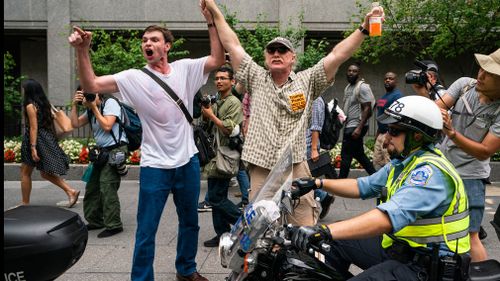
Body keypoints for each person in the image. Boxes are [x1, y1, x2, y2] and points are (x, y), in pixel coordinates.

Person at [68, 2, 224, 280]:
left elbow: (217, 59)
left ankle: (186, 270)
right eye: (144, 40)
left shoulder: (185, 69)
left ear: (167, 47)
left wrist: (211, 22)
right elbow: (91, 85)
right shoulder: (133, 78)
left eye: (154, 39)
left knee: (190, 222)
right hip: (155, 166)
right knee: (146, 229)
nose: (147, 43)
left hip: (187, 161)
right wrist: (82, 50)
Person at [203, 0, 384, 226]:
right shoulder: (255, 77)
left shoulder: (307, 80)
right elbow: (233, 44)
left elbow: (338, 55)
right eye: (271, 50)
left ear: (292, 58)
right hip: (261, 166)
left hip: (296, 165)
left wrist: (364, 29)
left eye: (282, 50)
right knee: (260, 230)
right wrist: (214, 9)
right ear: (266, 57)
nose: (276, 53)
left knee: (303, 225)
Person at [291, 95, 470, 280]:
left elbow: (386, 218)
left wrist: (323, 231)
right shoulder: (404, 162)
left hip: (426, 266)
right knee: (330, 243)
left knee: (329, 235)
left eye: (394, 131)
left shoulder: (430, 173)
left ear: (416, 135)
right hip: (400, 249)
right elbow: (362, 186)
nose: (386, 138)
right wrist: (316, 183)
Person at [436, 48, 500, 262]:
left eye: (489, 73)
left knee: (470, 235)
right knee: (435, 227)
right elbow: (438, 106)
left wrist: (452, 134)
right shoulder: (464, 84)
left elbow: (485, 151)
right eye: (482, 69)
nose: (481, 75)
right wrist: (438, 112)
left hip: (471, 178)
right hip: (442, 168)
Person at [69, 89, 128, 238]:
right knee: (92, 186)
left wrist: (94, 107)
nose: (88, 97)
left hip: (116, 149)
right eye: (84, 95)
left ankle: (114, 225)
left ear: (98, 93)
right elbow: (75, 124)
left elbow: (107, 126)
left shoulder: (110, 103)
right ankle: (96, 221)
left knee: (107, 185)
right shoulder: (90, 111)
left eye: (90, 94)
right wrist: (75, 105)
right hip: (101, 153)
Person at [20, 79, 80, 207]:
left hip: (37, 140)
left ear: (29, 91)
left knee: (25, 172)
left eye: (24, 89)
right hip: (47, 138)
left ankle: (25, 204)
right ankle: (71, 191)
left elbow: (33, 127)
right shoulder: (44, 104)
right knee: (45, 172)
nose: (23, 91)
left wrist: (33, 147)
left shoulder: (30, 105)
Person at [201, 66, 243, 247]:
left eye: (223, 78)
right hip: (214, 155)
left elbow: (229, 129)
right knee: (215, 195)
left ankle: (245, 225)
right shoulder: (217, 100)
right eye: (217, 78)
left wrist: (211, 115)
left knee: (216, 198)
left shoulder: (233, 102)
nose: (219, 81)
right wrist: (207, 113)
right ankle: (222, 234)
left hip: (225, 154)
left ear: (232, 81)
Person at [339, 63, 376, 178]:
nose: (351, 73)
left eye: (354, 71)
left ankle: (340, 182)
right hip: (350, 124)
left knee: (345, 155)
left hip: (355, 126)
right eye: (349, 70)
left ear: (358, 74)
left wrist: (359, 128)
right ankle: (376, 178)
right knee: (359, 155)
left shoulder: (363, 87)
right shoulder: (348, 87)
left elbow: (367, 108)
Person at [306, 96, 336, 220]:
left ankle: (320, 200)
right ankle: (323, 197)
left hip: (307, 145)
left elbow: (316, 126)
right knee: (300, 179)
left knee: (300, 179)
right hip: (300, 145)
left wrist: (313, 149)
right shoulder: (306, 96)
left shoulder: (316, 99)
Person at [372, 72, 403, 170]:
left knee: (388, 163)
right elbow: (381, 115)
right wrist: (377, 134)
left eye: (391, 78)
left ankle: (391, 185)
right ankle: (381, 184)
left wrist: (389, 136)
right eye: (386, 79)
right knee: (377, 162)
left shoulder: (397, 96)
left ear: (396, 81)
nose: (388, 80)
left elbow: (397, 118)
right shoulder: (384, 97)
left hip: (389, 135)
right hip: (381, 134)